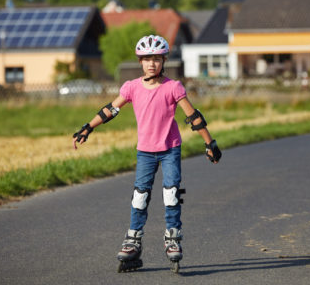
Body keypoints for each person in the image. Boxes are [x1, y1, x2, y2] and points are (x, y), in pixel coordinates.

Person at [72, 35, 222, 270]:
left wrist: (209, 143)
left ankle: (172, 238)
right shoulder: (131, 87)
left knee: (171, 192)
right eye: (146, 59)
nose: (151, 63)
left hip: (170, 148)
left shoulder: (173, 87)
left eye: (156, 59)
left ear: (163, 61)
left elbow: (193, 117)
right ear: (140, 61)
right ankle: (133, 240)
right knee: (140, 196)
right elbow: (110, 109)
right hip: (145, 151)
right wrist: (88, 127)